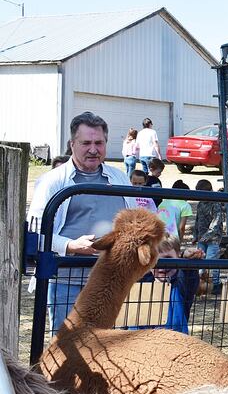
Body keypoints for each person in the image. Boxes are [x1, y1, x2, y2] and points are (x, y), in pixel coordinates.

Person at [27, 111, 141, 334]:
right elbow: (35, 233)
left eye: (99, 143)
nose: (93, 149)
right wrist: (70, 245)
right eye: (86, 143)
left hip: (111, 281)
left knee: (109, 345)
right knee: (67, 344)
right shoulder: (52, 181)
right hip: (65, 279)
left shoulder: (119, 178)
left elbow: (134, 222)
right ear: (72, 144)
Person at [134, 236, 203, 334]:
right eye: (157, 261)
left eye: (168, 258)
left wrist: (187, 258)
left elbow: (188, 276)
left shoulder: (181, 286)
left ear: (178, 257)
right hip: (141, 341)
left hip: (175, 341)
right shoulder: (139, 284)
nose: (162, 266)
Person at [193, 179, 224, 295]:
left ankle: (215, 284)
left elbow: (216, 221)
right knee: (200, 260)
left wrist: (208, 235)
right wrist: (195, 234)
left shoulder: (215, 204)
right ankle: (202, 284)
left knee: (211, 260)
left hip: (213, 238)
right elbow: (198, 220)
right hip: (201, 237)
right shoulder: (200, 204)